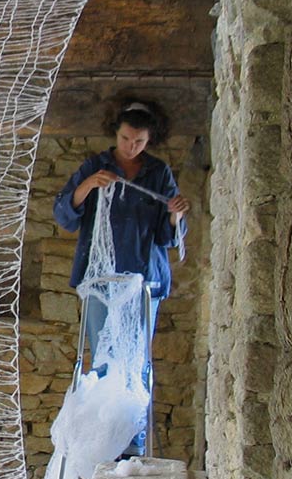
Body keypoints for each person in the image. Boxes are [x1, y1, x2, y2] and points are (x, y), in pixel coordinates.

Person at [52, 100, 190, 454]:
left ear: (148, 140)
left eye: (140, 142)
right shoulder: (96, 165)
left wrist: (175, 215)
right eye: (127, 139)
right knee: (104, 359)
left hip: (145, 283)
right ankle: (105, 445)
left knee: (137, 361)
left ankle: (133, 445)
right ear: (116, 134)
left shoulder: (158, 174)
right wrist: (89, 186)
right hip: (102, 282)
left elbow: (165, 235)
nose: (132, 147)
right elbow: (64, 214)